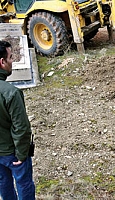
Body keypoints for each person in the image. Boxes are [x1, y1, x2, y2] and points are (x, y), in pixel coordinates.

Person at [0, 41, 35, 199]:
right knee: (24, 185)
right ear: (2, 62)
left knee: (3, 185)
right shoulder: (11, 93)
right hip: (13, 153)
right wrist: (22, 155)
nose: (12, 60)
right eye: (10, 57)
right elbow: (21, 128)